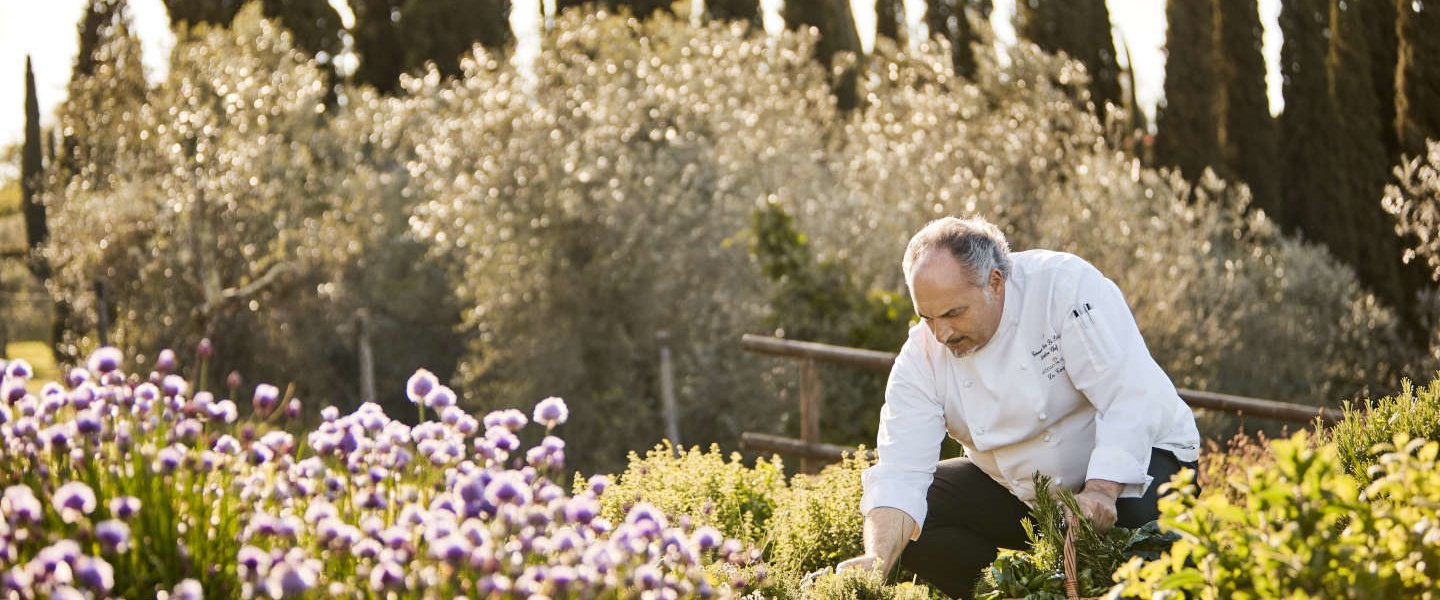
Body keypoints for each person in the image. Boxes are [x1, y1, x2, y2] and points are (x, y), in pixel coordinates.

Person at [836, 216, 1200, 598]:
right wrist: (876, 560)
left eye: (953, 313)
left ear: (995, 282)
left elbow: (1127, 395)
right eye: (927, 317)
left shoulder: (1065, 288)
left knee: (1150, 546)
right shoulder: (920, 359)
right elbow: (900, 472)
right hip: (1024, 490)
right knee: (919, 520)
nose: (940, 334)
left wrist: (1101, 491)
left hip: (1140, 460)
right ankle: (1008, 594)